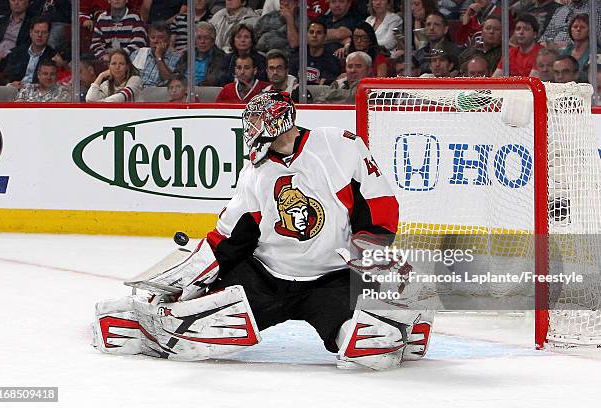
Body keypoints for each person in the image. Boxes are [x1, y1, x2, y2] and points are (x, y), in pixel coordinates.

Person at [92, 90, 433, 371]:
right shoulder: (254, 175)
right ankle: (145, 318)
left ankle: (402, 319)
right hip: (265, 278)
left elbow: (378, 204)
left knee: (372, 346)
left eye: (258, 125)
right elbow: (230, 238)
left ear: (281, 126)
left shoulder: (339, 146)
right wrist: (193, 278)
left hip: (331, 280)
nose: (252, 133)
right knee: (191, 331)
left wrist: (370, 262)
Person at [3, 15, 56, 87]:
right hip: (15, 90)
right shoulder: (17, 52)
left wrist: (28, 87)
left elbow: (50, 82)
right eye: (37, 32)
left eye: (44, 32)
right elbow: (6, 76)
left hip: (38, 94)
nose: (39, 35)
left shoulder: (53, 56)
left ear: (49, 34)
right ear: (31, 33)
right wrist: (11, 84)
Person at [0, 0, 34, 81]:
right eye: (13, 0)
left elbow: (29, 46)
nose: (16, 3)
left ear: (27, 2)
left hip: (13, 62)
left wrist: (7, 54)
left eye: (20, 0)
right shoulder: (0, 21)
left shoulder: (32, 23)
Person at [176, 21, 229, 86]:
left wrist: (192, 88)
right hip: (182, 91)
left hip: (205, 92)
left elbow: (214, 79)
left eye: (206, 38)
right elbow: (176, 73)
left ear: (213, 41)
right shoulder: (187, 55)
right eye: (199, 38)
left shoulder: (221, 57)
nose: (202, 41)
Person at [289, 20, 341, 85]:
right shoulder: (297, 57)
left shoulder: (332, 61)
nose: (314, 35)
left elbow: (327, 84)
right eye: (311, 32)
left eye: (318, 33)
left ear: (325, 37)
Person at [130, 22, 180, 87]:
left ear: (168, 40)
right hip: (136, 92)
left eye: (160, 37)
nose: (155, 41)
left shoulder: (176, 58)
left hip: (159, 94)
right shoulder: (138, 53)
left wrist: (159, 56)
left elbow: (171, 83)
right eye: (152, 37)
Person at [560, 14, 596, 83]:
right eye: (575, 27)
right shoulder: (565, 51)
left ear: (590, 30)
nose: (578, 29)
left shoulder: (596, 51)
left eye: (582, 27)